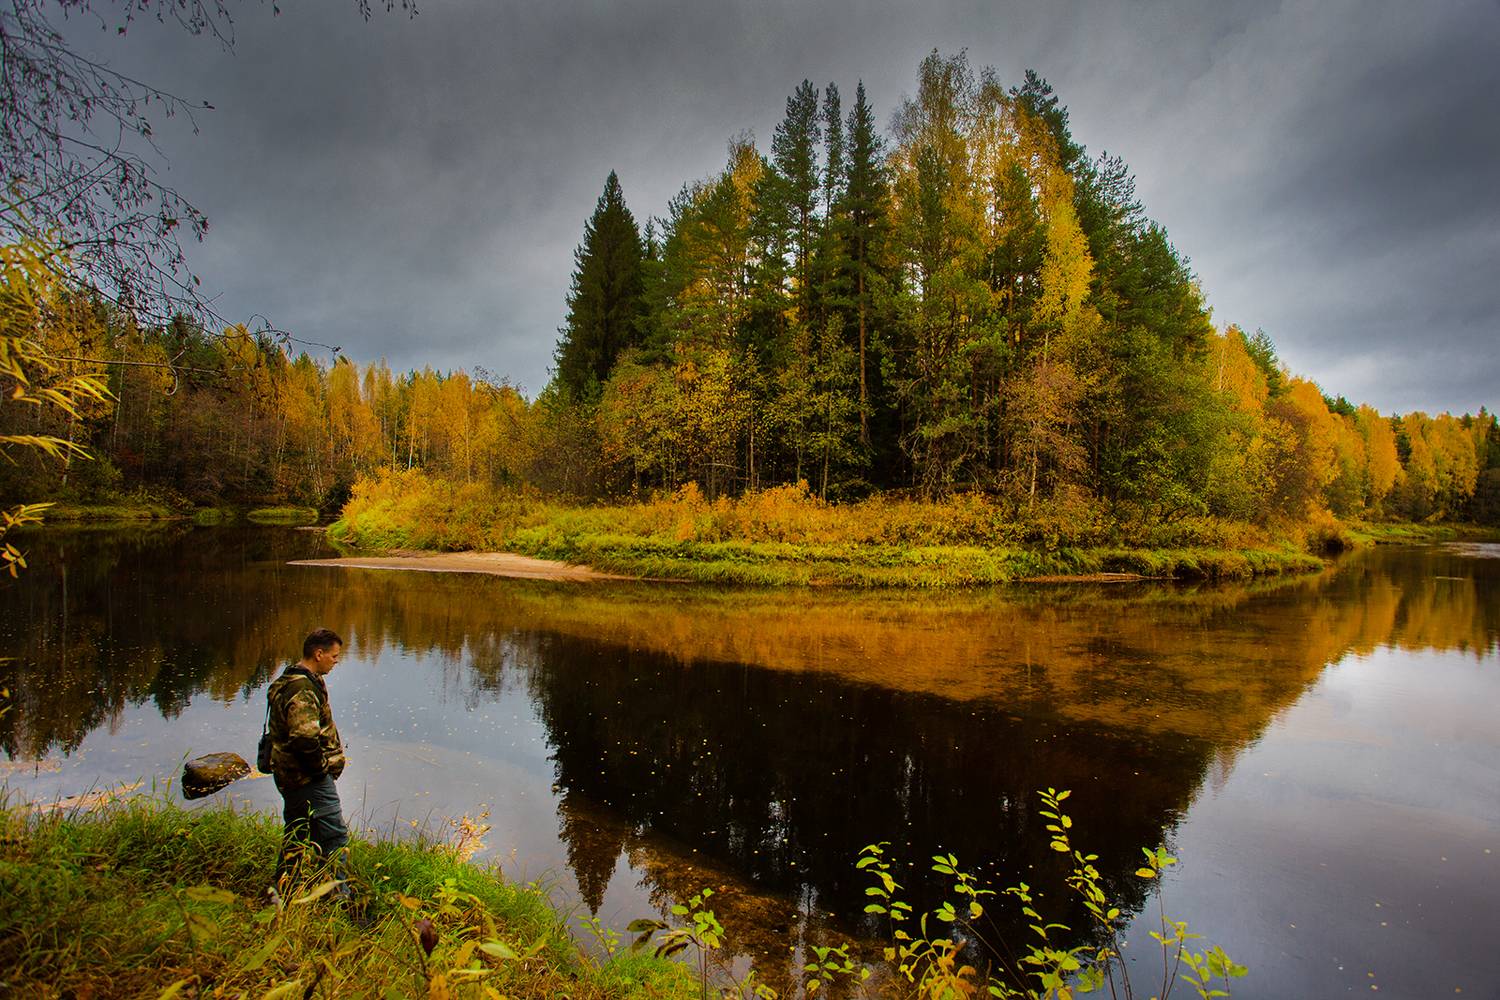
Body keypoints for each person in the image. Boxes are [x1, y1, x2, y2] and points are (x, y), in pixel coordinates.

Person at [267, 627, 349, 884]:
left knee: (298, 831)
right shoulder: (302, 688)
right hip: (308, 778)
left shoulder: (291, 679)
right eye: (334, 656)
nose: (336, 661)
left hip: (290, 774)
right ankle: (340, 895)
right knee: (334, 836)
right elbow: (303, 738)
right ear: (318, 653)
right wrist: (321, 770)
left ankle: (283, 889)